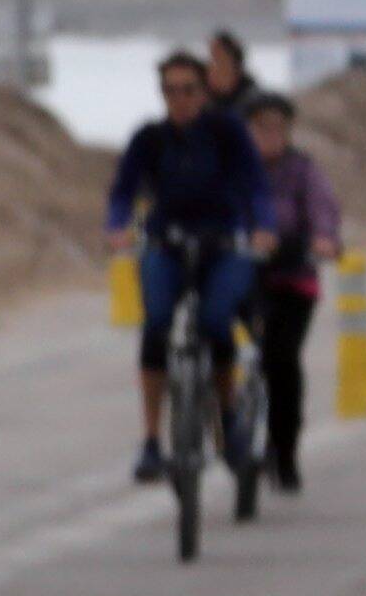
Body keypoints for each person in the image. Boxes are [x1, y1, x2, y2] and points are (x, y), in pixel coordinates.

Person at [102, 45, 267, 481]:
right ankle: (152, 441)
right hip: (168, 244)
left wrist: (262, 227)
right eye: (171, 91)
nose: (180, 99)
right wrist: (117, 226)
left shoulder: (227, 133)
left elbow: (256, 186)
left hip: (222, 245)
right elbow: (122, 192)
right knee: (155, 324)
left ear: (204, 92)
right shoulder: (149, 139)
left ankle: (229, 419)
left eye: (189, 89)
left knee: (216, 322)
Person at [238, 87, 344, 490]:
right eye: (260, 128)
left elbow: (323, 207)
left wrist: (324, 239)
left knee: (282, 362)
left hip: (292, 279)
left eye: (277, 128)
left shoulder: (302, 169)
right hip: (243, 277)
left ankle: (284, 452)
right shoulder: (233, 170)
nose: (270, 135)